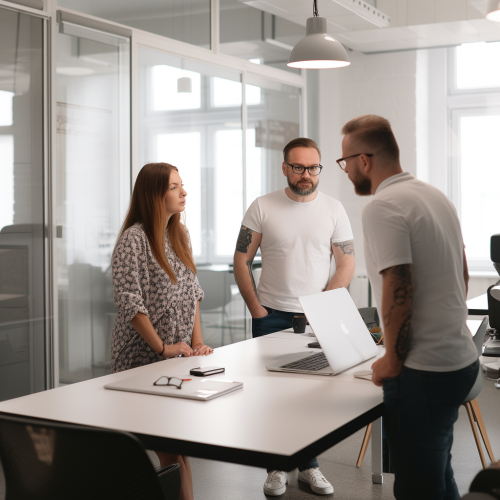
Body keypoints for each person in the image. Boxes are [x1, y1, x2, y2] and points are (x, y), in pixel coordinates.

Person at [339, 115, 479, 500]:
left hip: (423, 372)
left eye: (345, 162)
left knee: (418, 488)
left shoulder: (383, 206)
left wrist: (392, 360)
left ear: (364, 160)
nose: (346, 171)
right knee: (436, 474)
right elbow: (462, 274)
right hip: (460, 359)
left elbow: (399, 287)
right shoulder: (435, 196)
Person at [233, 138, 355, 496]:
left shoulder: (334, 209)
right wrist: (256, 308)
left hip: (314, 318)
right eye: (299, 167)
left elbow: (346, 261)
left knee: (312, 398)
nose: (307, 175)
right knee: (272, 398)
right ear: (285, 168)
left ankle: (309, 466)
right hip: (270, 315)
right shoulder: (262, 206)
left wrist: (324, 308)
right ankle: (275, 468)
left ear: (320, 169)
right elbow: (241, 260)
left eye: (313, 168)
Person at [111, 162, 213, 500]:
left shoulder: (179, 235)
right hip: (142, 360)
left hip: (176, 359)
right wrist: (162, 347)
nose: (184, 192)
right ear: (155, 195)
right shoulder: (134, 239)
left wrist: (197, 341)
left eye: (181, 185)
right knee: (169, 452)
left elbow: (193, 292)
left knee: (178, 450)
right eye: (174, 187)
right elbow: (129, 303)